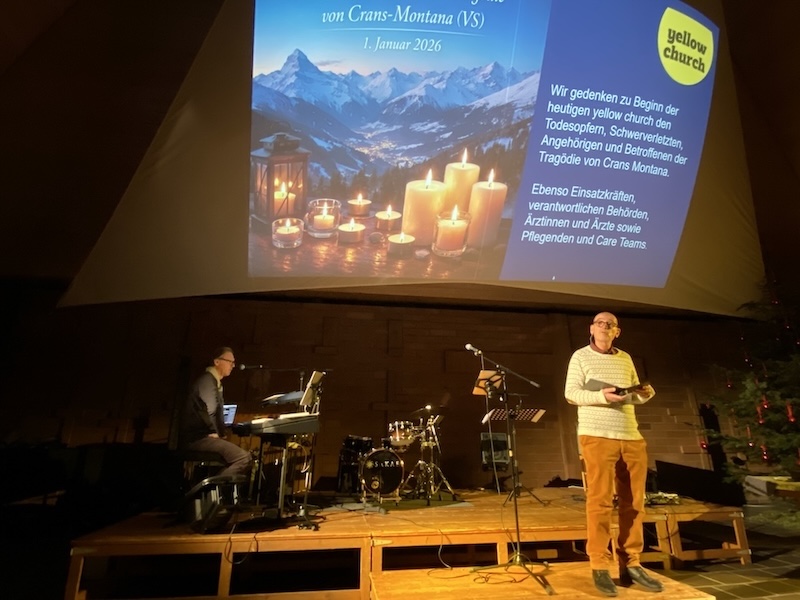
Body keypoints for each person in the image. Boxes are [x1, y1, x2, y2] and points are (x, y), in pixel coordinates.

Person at [564, 312, 663, 596]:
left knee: (634, 502)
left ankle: (631, 563)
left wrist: (642, 393)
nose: (604, 327)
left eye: (610, 324)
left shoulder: (625, 358)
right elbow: (571, 394)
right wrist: (601, 396)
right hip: (596, 435)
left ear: (617, 332)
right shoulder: (580, 356)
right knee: (600, 501)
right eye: (599, 323)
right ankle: (599, 566)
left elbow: (630, 393)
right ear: (591, 329)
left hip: (631, 435)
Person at [179, 346, 252, 480]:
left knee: (231, 457)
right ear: (216, 362)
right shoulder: (207, 381)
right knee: (243, 457)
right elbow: (211, 410)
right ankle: (212, 490)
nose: (232, 365)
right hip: (196, 439)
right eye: (229, 361)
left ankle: (214, 490)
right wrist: (216, 432)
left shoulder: (215, 383)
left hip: (202, 436)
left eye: (233, 362)